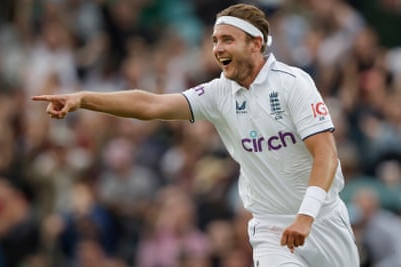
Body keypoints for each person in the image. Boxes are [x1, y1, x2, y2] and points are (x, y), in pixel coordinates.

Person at [32, 3, 360, 267]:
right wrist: (84, 99)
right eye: (215, 40)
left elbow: (326, 154)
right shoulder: (218, 93)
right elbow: (149, 104)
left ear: (256, 43)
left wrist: (306, 216)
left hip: (323, 219)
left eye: (227, 40)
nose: (217, 49)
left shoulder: (293, 83)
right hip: (271, 225)